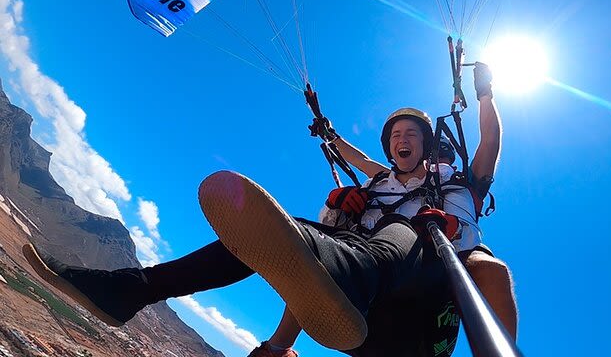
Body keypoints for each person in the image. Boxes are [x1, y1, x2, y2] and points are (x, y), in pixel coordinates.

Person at [22, 65, 516, 356]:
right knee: (296, 237)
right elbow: (302, 267)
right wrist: (279, 345)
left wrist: (486, 93)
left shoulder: (456, 183)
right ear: (387, 149)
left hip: (430, 307)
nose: (403, 140)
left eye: (412, 135)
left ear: (428, 143)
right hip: (371, 313)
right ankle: (131, 289)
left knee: (405, 239)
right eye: (395, 137)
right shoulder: (378, 184)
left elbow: (489, 142)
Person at [250, 64, 516, 357]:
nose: (439, 161)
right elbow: (361, 159)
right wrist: (330, 135)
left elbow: (490, 140)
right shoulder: (390, 179)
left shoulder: (464, 184)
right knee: (322, 248)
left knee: (492, 270)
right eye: (436, 154)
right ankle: (278, 347)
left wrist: (485, 94)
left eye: (444, 155)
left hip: (434, 279)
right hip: (380, 268)